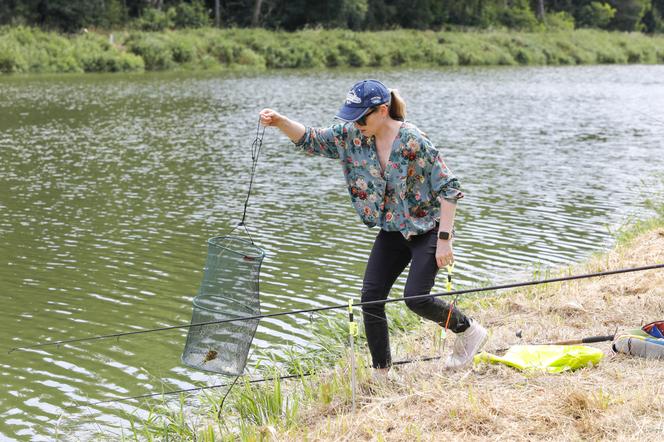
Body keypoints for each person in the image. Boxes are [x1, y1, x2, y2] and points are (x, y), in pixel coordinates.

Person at [259, 79, 487, 374]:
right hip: (392, 229)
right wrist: (280, 121)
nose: (355, 122)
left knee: (416, 297)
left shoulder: (414, 141)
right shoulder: (352, 136)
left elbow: (449, 189)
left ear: (382, 110)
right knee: (371, 297)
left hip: (427, 228)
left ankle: (468, 330)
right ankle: (382, 372)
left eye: (361, 116)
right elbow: (311, 139)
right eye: (351, 115)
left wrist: (444, 239)